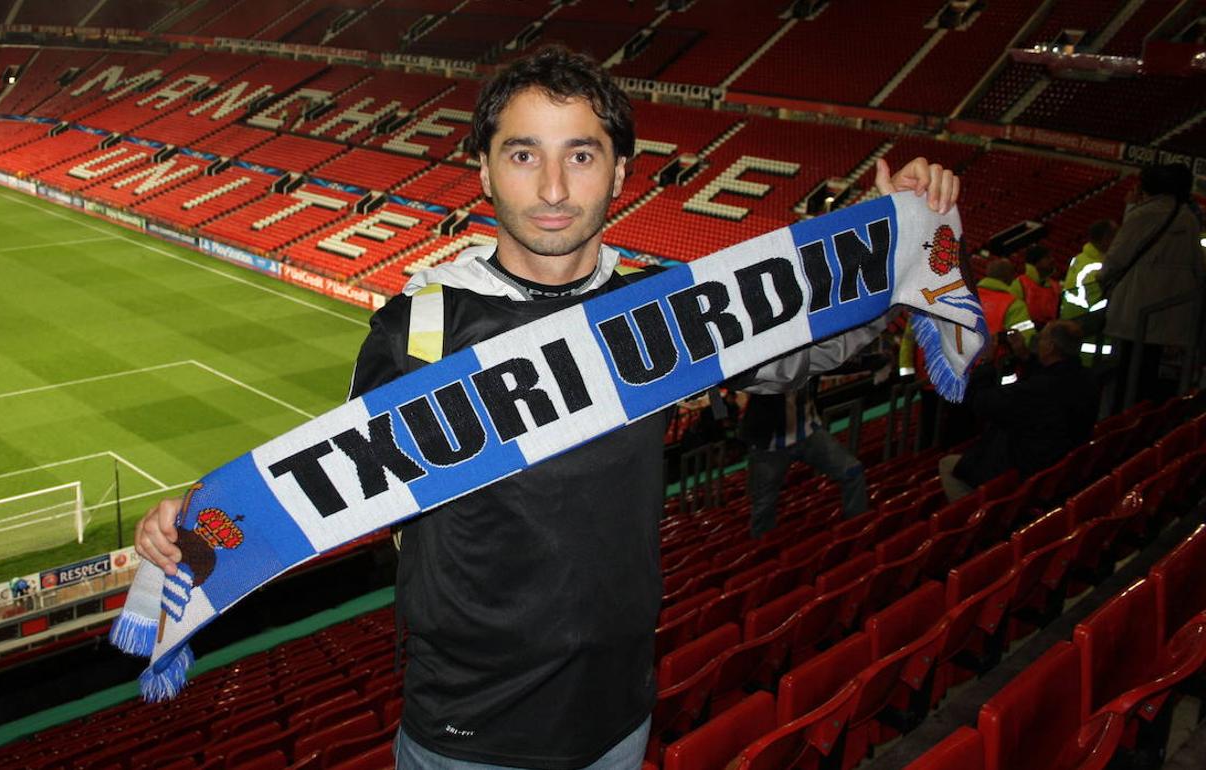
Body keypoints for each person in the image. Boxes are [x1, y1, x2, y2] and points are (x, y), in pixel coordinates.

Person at [134, 45, 960, 769]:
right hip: (466, 736)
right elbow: (336, 487)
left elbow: (810, 352)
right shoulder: (418, 328)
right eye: (525, 155)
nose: (556, 187)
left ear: (623, 173)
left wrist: (897, 238)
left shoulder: (667, 317)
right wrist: (193, 533)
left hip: (618, 718)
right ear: (485, 169)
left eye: (583, 155)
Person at [939, 320, 1099, 501]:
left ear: (1051, 347)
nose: (1037, 341)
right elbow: (1051, 378)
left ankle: (977, 516)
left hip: (1027, 464)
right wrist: (1025, 356)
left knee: (947, 465)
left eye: (1042, 338)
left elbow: (984, 403)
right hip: (1058, 459)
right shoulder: (1086, 378)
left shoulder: (1040, 390)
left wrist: (987, 362)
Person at [1096, 163, 1205, 408]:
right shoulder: (1187, 217)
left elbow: (1115, 259)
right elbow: (1198, 267)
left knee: (1128, 375)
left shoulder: (1143, 215)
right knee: (1149, 372)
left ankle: (1123, 420)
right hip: (1171, 315)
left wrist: (1104, 279)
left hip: (1135, 311)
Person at [740, 380, 869, 538]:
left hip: (808, 431)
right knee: (763, 505)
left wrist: (874, 361)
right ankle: (763, 554)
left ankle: (857, 531)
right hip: (771, 443)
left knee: (852, 471)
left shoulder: (808, 357)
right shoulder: (766, 366)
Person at [1061, 219, 1117, 366]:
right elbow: (1100, 308)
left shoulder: (1079, 259)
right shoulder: (1098, 269)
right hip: (1092, 344)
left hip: (1072, 332)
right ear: (1106, 239)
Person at [976, 258, 1035, 344]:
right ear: (1010, 276)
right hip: (996, 355)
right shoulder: (1014, 304)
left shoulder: (966, 295)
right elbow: (1025, 338)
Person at [1013, 244, 1060, 327]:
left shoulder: (1055, 286)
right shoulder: (1019, 284)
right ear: (1036, 262)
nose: (1052, 260)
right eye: (1047, 258)